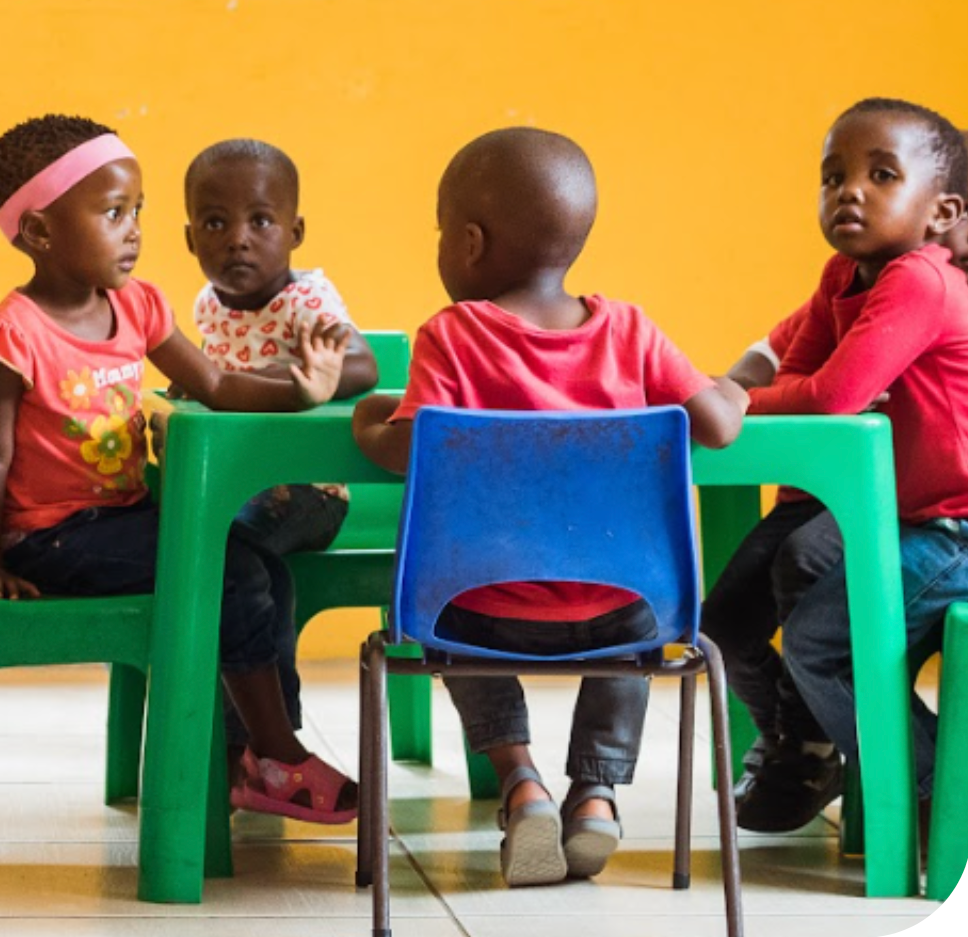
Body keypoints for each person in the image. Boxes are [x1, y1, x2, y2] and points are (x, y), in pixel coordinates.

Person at [352, 127, 749, 886]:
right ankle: (595, 794)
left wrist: (370, 419)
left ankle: (520, 779)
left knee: (447, 615)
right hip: (622, 611)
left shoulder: (454, 335)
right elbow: (720, 427)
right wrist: (730, 386)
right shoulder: (632, 332)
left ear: (468, 243)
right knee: (643, 623)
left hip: (483, 609)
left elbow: (412, 448)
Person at [0, 114, 358, 825]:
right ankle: (274, 753)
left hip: (121, 520)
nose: (135, 230)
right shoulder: (13, 332)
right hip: (51, 539)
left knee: (263, 568)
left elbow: (214, 384)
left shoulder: (138, 305)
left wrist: (300, 390)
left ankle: (259, 750)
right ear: (40, 233)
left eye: (138, 211)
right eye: (114, 213)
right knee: (230, 572)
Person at [703, 98, 968, 834]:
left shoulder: (921, 278)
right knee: (733, 618)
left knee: (825, 640)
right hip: (900, 512)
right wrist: (744, 392)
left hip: (952, 526)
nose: (849, 190)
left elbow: (828, 398)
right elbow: (801, 370)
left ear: (941, 211)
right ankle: (814, 746)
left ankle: (930, 788)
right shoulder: (843, 276)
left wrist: (728, 402)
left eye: (881, 175)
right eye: (833, 176)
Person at [180, 136, 377, 779]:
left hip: (310, 491)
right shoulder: (205, 307)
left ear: (294, 232)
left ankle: (258, 732)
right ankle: (257, 731)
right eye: (216, 223)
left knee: (237, 543)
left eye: (260, 221)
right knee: (240, 558)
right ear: (190, 239)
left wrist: (301, 375)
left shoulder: (306, 302)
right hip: (234, 487)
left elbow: (363, 366)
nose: (238, 238)